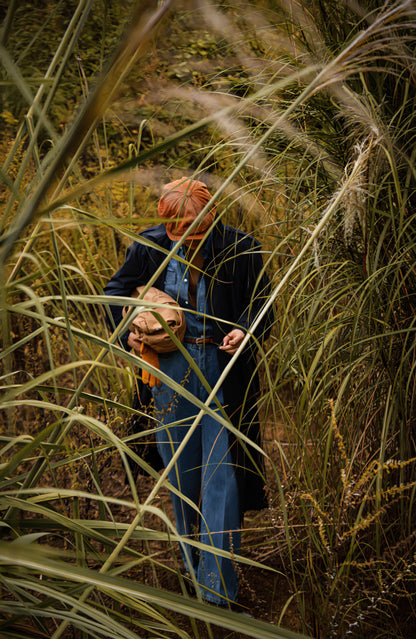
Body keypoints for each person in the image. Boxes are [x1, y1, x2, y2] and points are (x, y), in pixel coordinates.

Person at [104, 177, 272, 607]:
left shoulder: (240, 247)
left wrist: (243, 330)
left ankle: (217, 589)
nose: (185, 239)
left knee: (222, 475)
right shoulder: (149, 246)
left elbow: (261, 303)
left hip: (221, 370)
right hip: (169, 371)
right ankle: (191, 564)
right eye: (177, 231)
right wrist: (132, 330)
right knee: (182, 475)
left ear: (211, 216)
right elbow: (115, 292)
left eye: (194, 229)